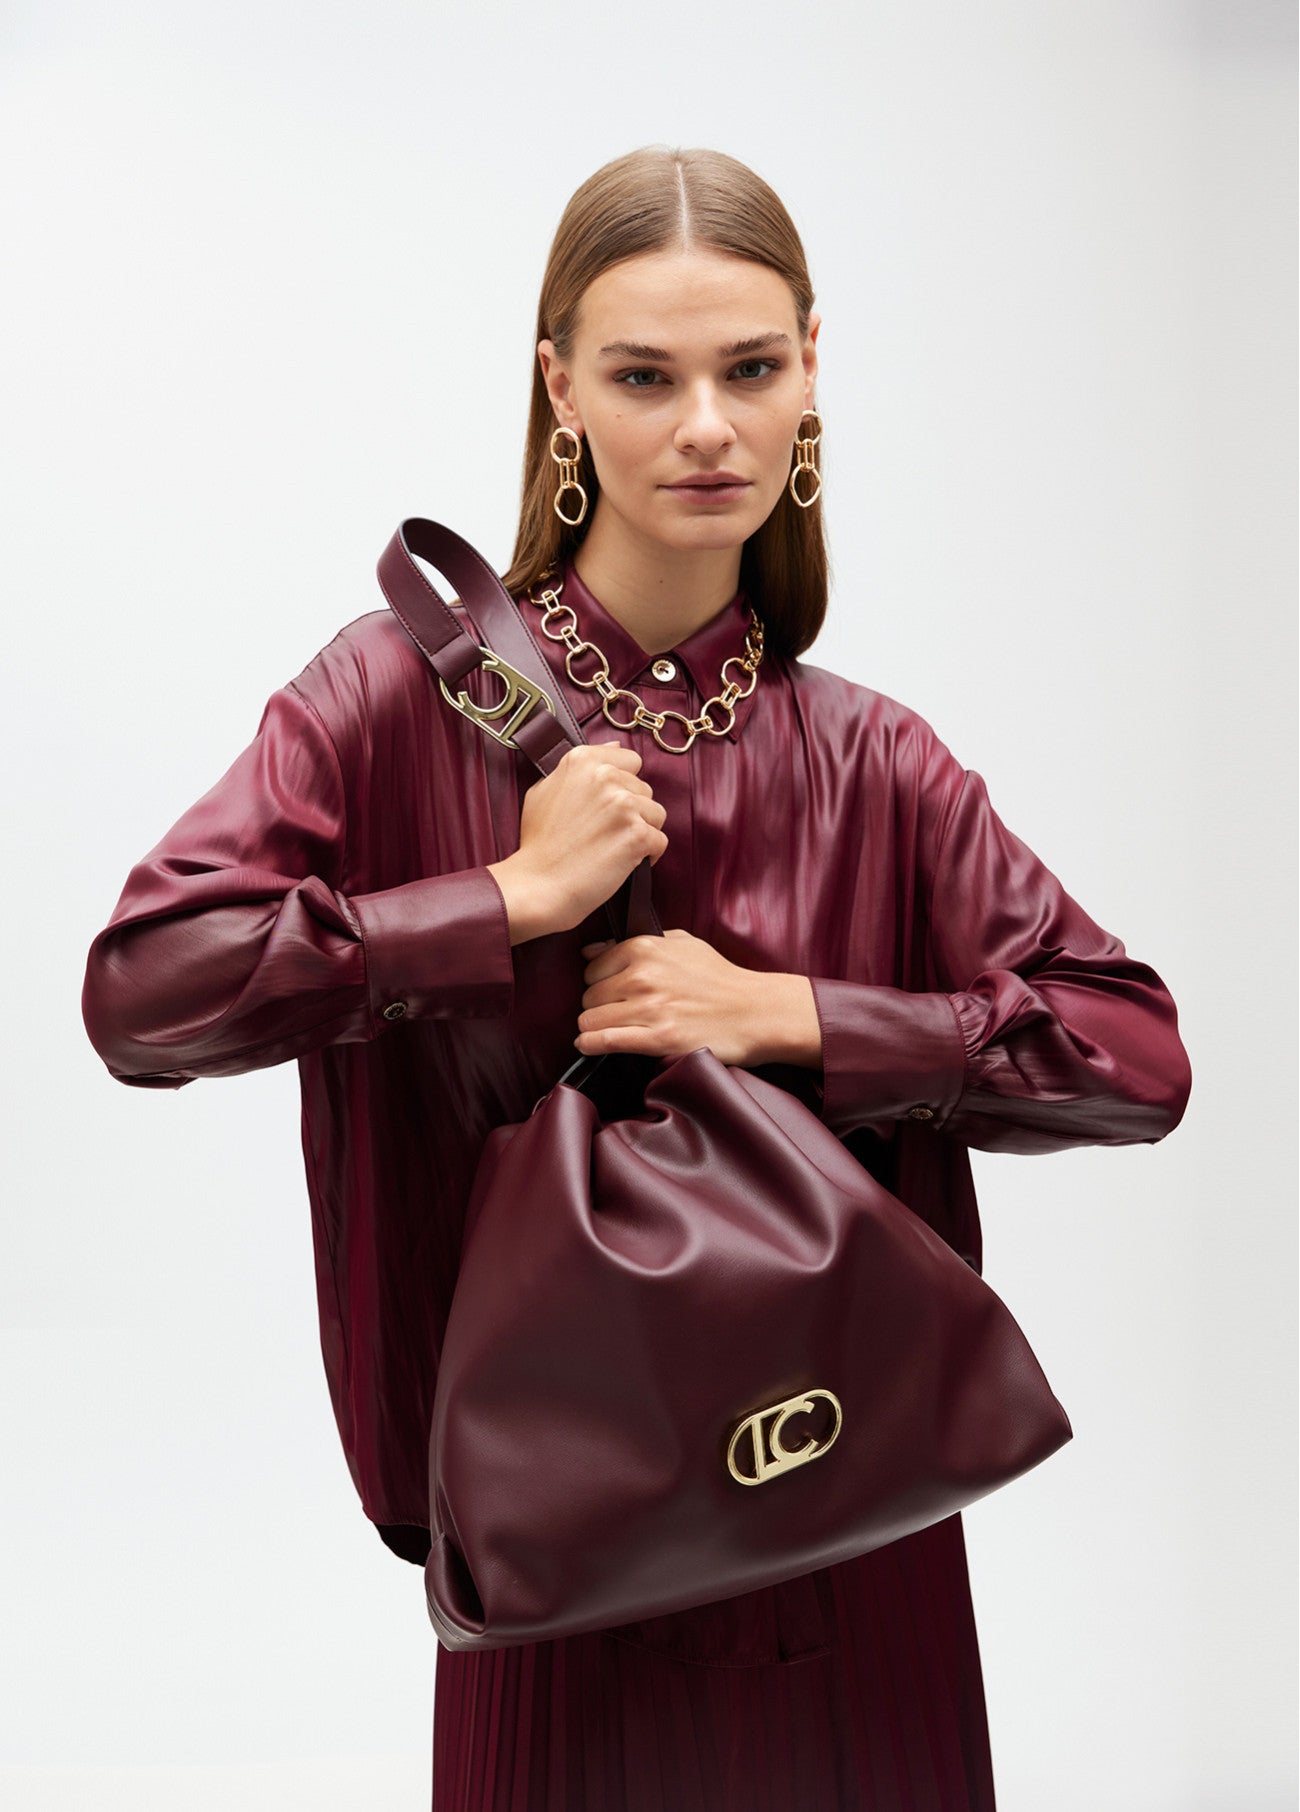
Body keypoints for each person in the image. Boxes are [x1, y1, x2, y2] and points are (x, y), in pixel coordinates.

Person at [82, 145, 1192, 1811]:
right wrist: (500, 901)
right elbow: (143, 992)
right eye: (645, 376)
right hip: (556, 1557)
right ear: (560, 390)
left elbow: (1135, 1055)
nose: (706, 427)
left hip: (857, 1525)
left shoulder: (875, 758)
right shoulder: (392, 702)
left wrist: (793, 1019)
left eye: (750, 369)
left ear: (811, 372)